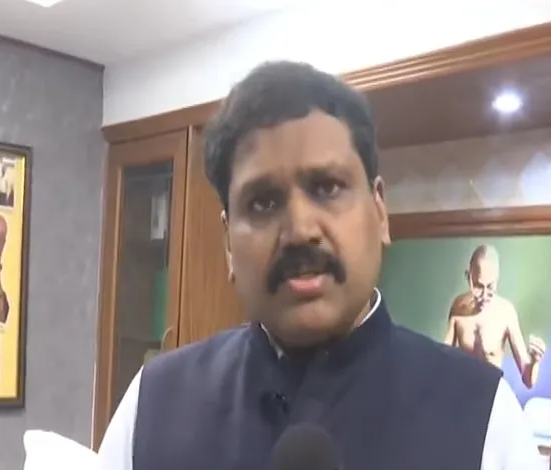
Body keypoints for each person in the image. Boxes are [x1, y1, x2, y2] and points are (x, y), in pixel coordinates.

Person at [97, 62, 539, 470]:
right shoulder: (153, 403)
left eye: (327, 188)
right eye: (263, 202)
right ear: (229, 243)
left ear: (379, 212)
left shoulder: (485, 417)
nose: (300, 230)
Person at [446, 244, 546, 388]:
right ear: (469, 278)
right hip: (464, 390)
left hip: (492, 392)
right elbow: (442, 359)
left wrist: (535, 361)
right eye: (478, 286)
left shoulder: (506, 313)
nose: (484, 295)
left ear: (497, 279)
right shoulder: (458, 308)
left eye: (490, 287)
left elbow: (528, 381)